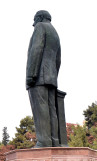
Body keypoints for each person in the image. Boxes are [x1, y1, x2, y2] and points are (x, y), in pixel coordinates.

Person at [26, 10, 61, 147]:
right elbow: (58, 58)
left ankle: (43, 141)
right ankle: (54, 141)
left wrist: (31, 75)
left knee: (40, 109)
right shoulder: (55, 33)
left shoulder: (40, 27)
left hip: (38, 77)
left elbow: (36, 50)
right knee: (52, 110)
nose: (33, 23)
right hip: (51, 78)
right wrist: (54, 76)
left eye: (34, 19)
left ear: (39, 18)